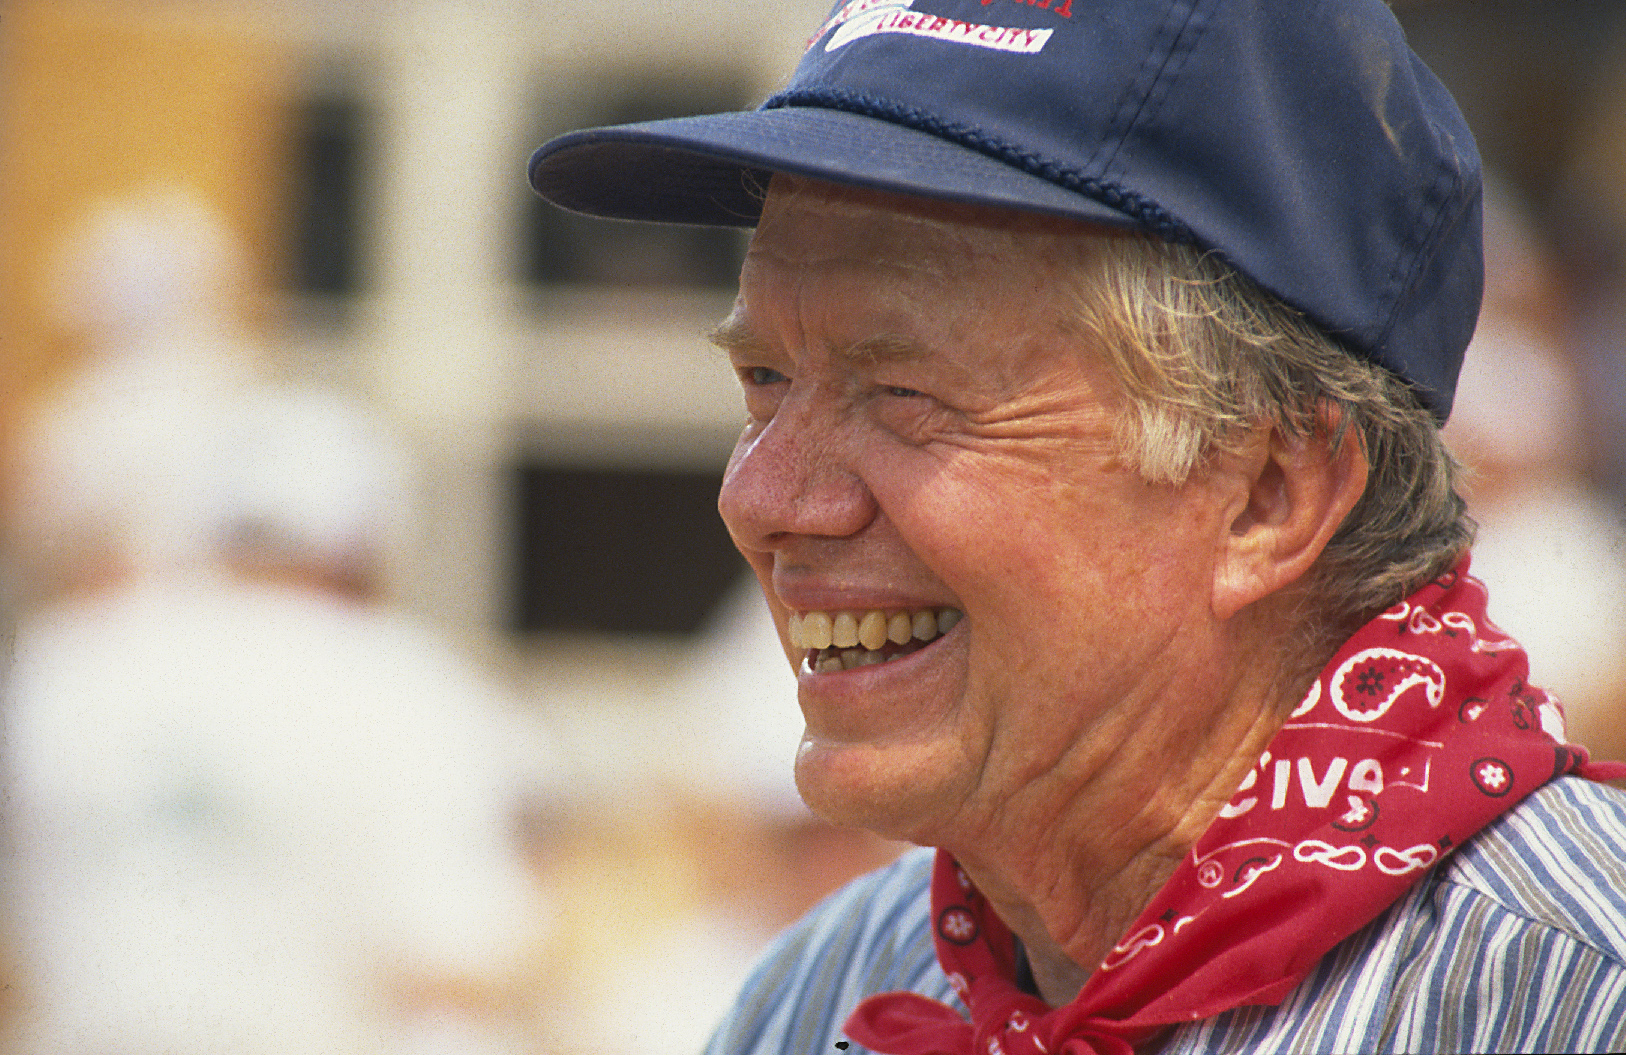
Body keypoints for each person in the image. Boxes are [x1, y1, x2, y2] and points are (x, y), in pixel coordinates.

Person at [527, 2, 1626, 1052]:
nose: (760, 499)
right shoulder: (826, 986)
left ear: (1269, 492)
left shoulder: (1573, 990)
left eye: (905, 391)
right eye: (764, 377)